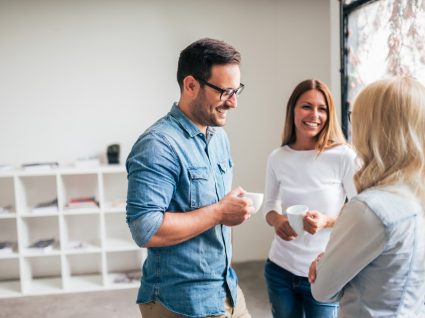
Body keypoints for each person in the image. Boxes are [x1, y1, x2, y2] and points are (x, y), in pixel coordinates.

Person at [126, 38, 253, 318]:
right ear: (191, 85)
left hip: (226, 288)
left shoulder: (218, 136)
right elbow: (145, 228)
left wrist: (230, 210)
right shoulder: (157, 145)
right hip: (181, 302)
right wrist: (221, 211)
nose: (233, 103)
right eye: (224, 92)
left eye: (237, 90)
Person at [309, 77, 425, 317]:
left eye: (355, 118)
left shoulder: (368, 209)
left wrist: (322, 265)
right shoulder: (416, 199)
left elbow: (322, 291)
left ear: (375, 129)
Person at [262, 79, 357, 318]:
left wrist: (326, 221)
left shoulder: (343, 156)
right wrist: (278, 221)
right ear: (293, 109)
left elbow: (360, 212)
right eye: (306, 106)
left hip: (324, 271)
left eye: (322, 108)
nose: (314, 114)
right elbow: (270, 205)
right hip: (279, 269)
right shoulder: (277, 157)